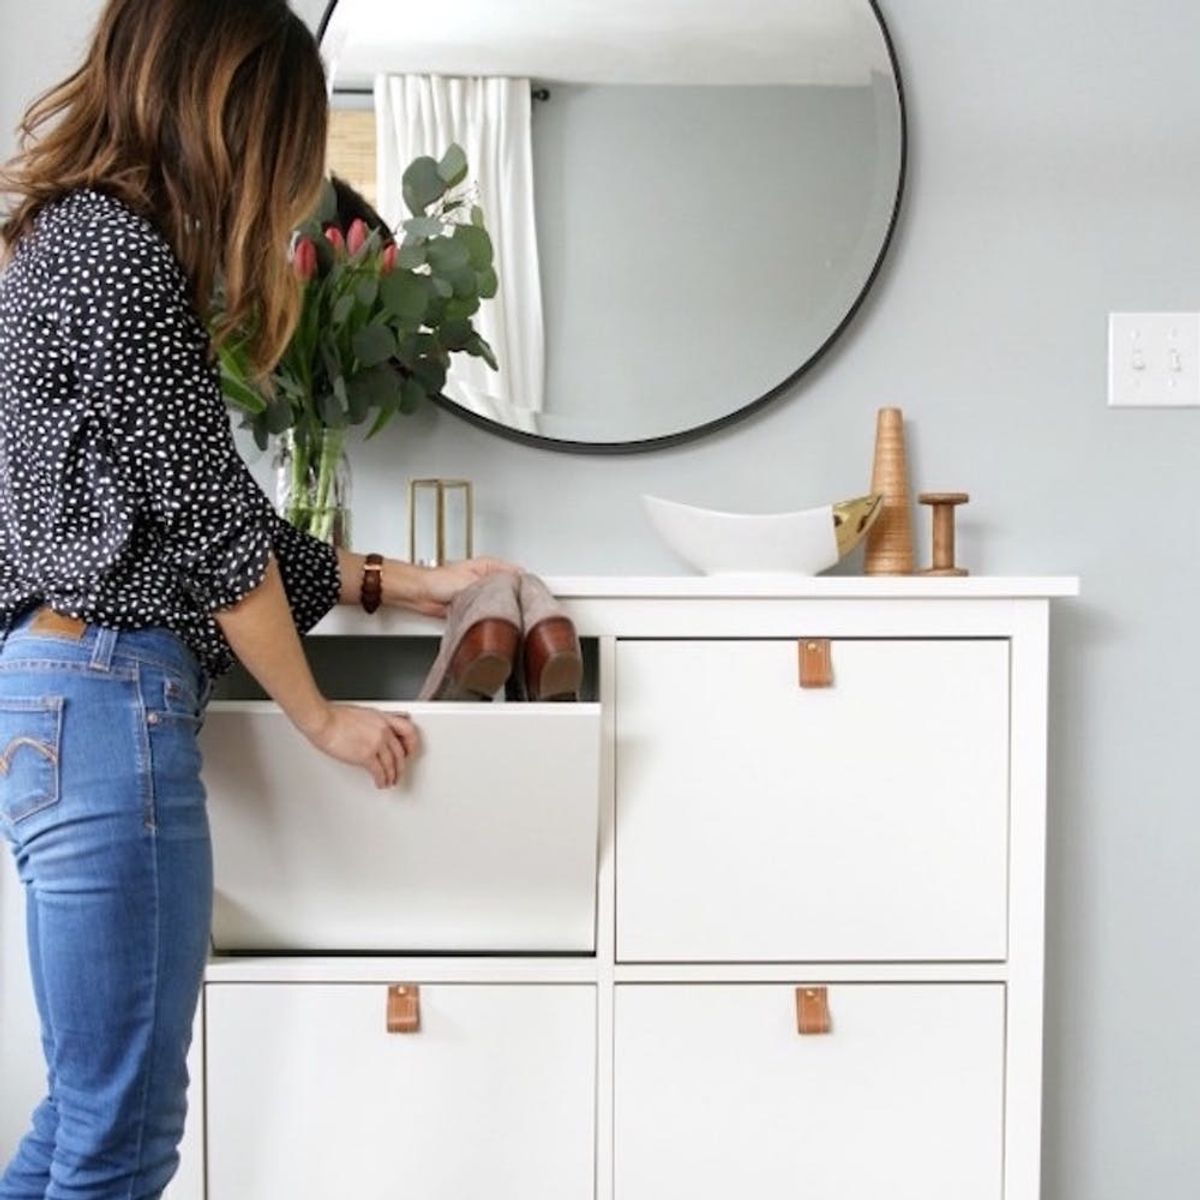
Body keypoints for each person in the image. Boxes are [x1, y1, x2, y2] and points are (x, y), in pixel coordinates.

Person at [0, 2, 515, 1195]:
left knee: (80, 1128)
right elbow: (217, 534)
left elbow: (187, 523)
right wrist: (321, 715)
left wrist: (395, 580)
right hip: (110, 702)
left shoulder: (59, 244)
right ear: (227, 113)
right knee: (118, 1141)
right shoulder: (118, 256)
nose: (292, 181)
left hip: (57, 694)